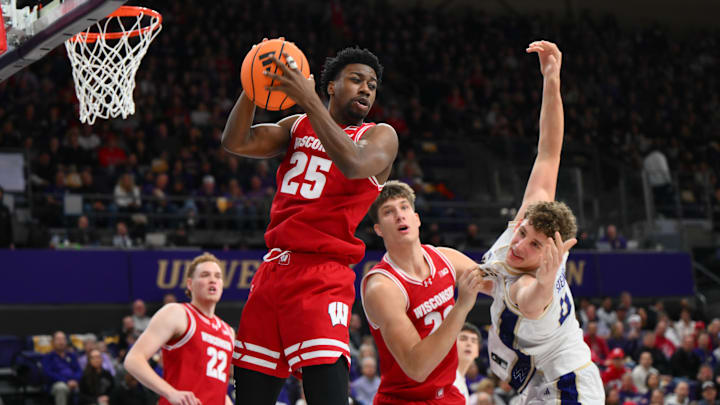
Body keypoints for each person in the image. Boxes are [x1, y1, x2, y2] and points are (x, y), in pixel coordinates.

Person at [222, 44, 398, 405]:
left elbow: (354, 165)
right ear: (330, 85)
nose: (366, 88)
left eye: (372, 85)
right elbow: (236, 140)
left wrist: (309, 100)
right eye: (356, 79)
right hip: (272, 274)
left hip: (322, 276)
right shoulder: (297, 125)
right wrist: (253, 83)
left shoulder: (378, 135)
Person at [476, 41, 604, 403]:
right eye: (523, 233)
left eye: (534, 245)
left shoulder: (529, 285)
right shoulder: (531, 219)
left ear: (550, 253)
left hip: (566, 386)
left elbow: (532, 299)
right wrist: (552, 79)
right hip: (543, 384)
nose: (519, 245)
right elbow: (549, 150)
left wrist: (545, 282)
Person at [361, 181, 491, 404]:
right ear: (379, 229)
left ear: (417, 218)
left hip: (448, 394)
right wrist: (461, 307)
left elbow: (503, 288)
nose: (400, 216)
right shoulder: (382, 286)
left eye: (404, 207)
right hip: (405, 399)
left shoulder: (445, 258)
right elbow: (417, 367)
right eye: (389, 212)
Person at [124, 253, 234, 405]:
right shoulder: (177, 313)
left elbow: (217, 389)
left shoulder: (228, 332)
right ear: (190, 284)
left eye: (218, 276)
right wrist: (171, 393)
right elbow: (133, 360)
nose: (213, 280)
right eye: (205, 275)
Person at [42, 331, 83, 405]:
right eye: (58, 339)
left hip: (73, 382)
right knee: (61, 387)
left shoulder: (71, 355)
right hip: (56, 384)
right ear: (53, 342)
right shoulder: (48, 357)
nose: (61, 342)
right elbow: (48, 374)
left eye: (63, 339)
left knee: (86, 383)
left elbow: (79, 370)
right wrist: (66, 381)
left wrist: (75, 380)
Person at [454, 323, 482, 404]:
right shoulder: (443, 377)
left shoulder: (462, 382)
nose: (469, 344)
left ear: (477, 352)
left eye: (473, 341)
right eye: (463, 339)